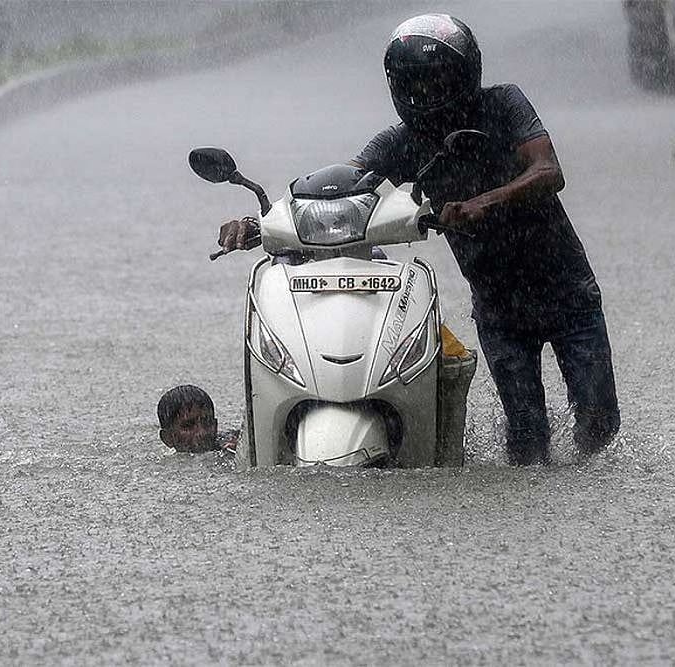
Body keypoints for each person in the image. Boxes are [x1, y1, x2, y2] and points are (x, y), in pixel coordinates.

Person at [218, 14, 619, 465]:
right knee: (526, 441)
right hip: (500, 307)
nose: (425, 95)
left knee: (600, 428)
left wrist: (483, 202)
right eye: (414, 85)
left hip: (567, 292)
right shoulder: (403, 143)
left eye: (435, 83)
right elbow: (342, 190)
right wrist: (263, 226)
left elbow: (548, 171)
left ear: (464, 76)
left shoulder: (504, 105)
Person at [157, 385, 238, 454]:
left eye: (207, 422)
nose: (202, 432)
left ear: (215, 425)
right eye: (188, 426)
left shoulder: (233, 448)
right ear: (168, 438)